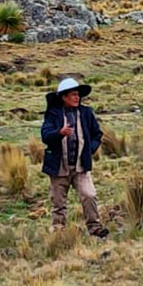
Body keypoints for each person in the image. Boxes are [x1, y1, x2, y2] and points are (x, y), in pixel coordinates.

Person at [41, 77, 108, 236]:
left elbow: (97, 134)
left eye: (78, 94)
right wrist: (59, 133)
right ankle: (59, 232)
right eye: (73, 94)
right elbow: (45, 135)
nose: (77, 97)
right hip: (59, 166)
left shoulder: (86, 113)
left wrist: (88, 151)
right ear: (64, 97)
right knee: (58, 203)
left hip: (80, 166)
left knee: (89, 195)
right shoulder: (53, 114)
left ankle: (95, 228)